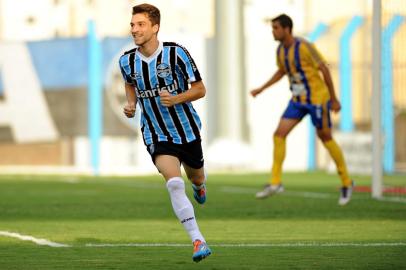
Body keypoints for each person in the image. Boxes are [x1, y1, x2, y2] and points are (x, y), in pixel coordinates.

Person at [119, 4, 211, 262]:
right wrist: (131, 104)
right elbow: (130, 82)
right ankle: (197, 240)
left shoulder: (176, 54)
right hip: (156, 133)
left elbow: (200, 89)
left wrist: (177, 98)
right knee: (173, 182)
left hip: (187, 130)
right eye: (132, 25)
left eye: (140, 25)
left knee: (195, 177)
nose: (134, 30)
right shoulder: (127, 60)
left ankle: (200, 185)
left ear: (155, 27)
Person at [250, 14, 353, 206]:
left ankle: (346, 182)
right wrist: (261, 88)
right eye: (272, 28)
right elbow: (282, 71)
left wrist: (333, 98)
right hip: (298, 101)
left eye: (276, 28)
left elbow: (324, 69)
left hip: (317, 100)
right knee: (279, 134)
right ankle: (275, 182)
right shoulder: (281, 50)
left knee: (325, 137)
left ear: (287, 29)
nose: (273, 31)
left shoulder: (305, 47)